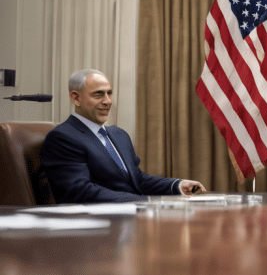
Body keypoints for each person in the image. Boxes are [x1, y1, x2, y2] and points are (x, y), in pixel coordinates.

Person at [41, 69, 206, 203]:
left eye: (109, 93)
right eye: (98, 95)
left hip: (133, 217)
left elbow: (137, 179)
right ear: (76, 98)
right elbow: (81, 191)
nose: (107, 101)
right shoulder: (63, 137)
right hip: (101, 224)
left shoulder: (119, 135)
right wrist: (146, 203)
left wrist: (176, 185)